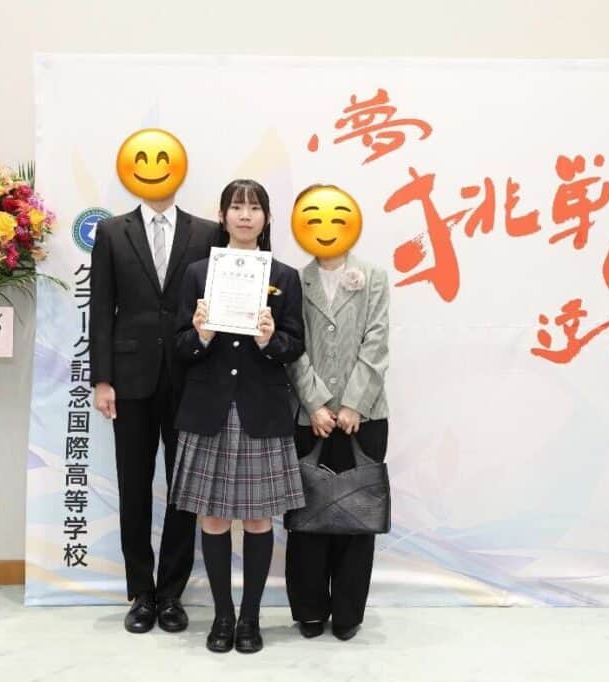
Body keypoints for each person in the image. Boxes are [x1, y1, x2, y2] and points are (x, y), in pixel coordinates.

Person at [170, 178, 305, 654]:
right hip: (208, 408)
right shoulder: (198, 273)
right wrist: (201, 334)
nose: (245, 216)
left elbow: (295, 344)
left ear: (267, 218)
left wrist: (270, 341)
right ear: (223, 215)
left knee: (257, 520)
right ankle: (222, 615)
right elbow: (180, 345)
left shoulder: (284, 276)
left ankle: (250, 618)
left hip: (260, 409)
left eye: (254, 208)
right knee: (211, 518)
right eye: (236, 207)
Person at [89, 142, 218, 635]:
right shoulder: (111, 231)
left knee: (184, 489)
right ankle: (141, 592)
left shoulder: (206, 232)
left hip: (190, 375)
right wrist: (102, 379)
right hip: (130, 379)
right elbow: (102, 308)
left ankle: (172, 594)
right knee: (134, 486)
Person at [285, 184, 390, 641]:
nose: (325, 227)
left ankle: (348, 612)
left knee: (356, 515)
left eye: (335, 217)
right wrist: (315, 403)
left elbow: (377, 342)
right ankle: (309, 609)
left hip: (365, 416)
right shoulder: (294, 280)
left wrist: (353, 404)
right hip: (309, 417)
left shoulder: (374, 277)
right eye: (314, 218)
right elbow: (292, 346)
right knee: (308, 515)